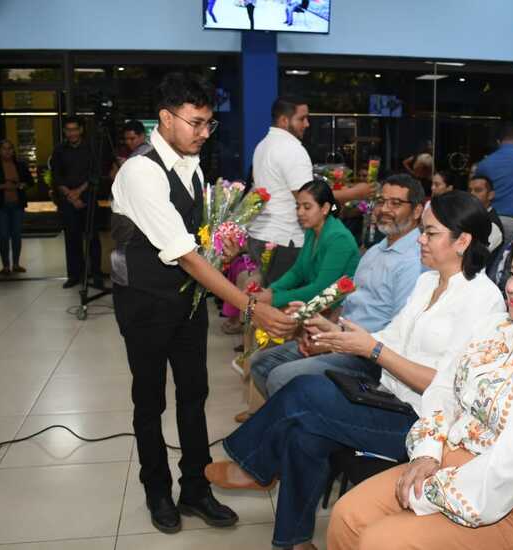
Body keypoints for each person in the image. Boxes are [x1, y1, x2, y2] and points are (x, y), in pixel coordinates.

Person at [205, 191, 506, 550]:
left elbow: (448, 387)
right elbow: (391, 338)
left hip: (425, 424)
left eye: (430, 233)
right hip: (388, 396)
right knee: (305, 432)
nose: (420, 241)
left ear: (463, 241)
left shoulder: (482, 300)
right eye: (422, 232)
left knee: (305, 392)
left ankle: (254, 466)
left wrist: (374, 350)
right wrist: (336, 334)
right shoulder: (428, 282)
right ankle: (294, 542)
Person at [328, 227, 513, 550]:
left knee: (381, 541)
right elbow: (443, 390)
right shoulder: (496, 327)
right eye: (512, 273)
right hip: (446, 461)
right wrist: (427, 453)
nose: (511, 286)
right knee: (347, 516)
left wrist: (426, 492)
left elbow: (512, 467)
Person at [110, 72, 297, 535]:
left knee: (194, 396)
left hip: (188, 304)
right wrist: (251, 308)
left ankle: (195, 487)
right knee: (149, 400)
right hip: (145, 304)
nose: (202, 134)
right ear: (165, 118)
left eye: (208, 124)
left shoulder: (190, 162)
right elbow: (185, 256)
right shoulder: (141, 171)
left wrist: (223, 247)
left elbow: (198, 244)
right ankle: (157, 489)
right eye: (195, 123)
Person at [249, 174, 425, 399]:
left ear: (417, 212)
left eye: (396, 203)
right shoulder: (375, 251)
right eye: (381, 201)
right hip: (342, 337)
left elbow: (398, 334)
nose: (385, 209)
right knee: (262, 363)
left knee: (280, 376)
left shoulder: (412, 262)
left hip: (369, 357)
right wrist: (323, 332)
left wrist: (334, 342)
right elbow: (346, 300)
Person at [253, 180, 360, 308]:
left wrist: (275, 298)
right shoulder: (312, 230)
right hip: (316, 301)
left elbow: (322, 289)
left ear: (325, 208)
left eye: (307, 207)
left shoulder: (339, 238)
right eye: (298, 206)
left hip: (338, 307)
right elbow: (297, 272)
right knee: (256, 306)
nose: (300, 212)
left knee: (268, 312)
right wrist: (272, 290)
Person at [247, 97, 313, 285]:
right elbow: (308, 199)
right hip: (284, 240)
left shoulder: (264, 145)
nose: (307, 124)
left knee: (261, 301)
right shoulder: (291, 149)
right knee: (283, 305)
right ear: (284, 120)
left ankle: (252, 315)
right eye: (302, 119)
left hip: (261, 235)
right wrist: (355, 193)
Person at [50, 116, 103, 289]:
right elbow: (56, 177)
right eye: (68, 130)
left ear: (81, 130)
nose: (71, 133)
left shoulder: (91, 148)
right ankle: (74, 276)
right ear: (65, 131)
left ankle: (96, 275)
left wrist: (79, 193)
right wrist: (71, 196)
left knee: (92, 239)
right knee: (71, 239)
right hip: (67, 201)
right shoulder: (59, 150)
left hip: (88, 198)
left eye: (74, 129)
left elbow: (95, 174)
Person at [0, 139, 34, 276]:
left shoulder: (20, 165)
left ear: (13, 151)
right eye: (4, 149)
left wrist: (22, 185)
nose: (7, 151)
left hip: (17, 205)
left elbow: (30, 181)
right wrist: (2, 186)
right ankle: (5, 266)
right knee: (3, 235)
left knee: (16, 235)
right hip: (0, 206)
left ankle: (16, 264)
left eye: (10, 148)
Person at [467, 175, 504, 254]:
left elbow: (476, 258)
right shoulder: (471, 217)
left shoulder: (492, 226)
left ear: (491, 195)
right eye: (469, 190)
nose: (471, 194)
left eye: (478, 190)